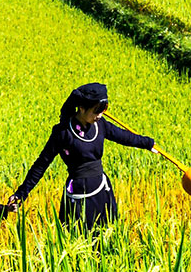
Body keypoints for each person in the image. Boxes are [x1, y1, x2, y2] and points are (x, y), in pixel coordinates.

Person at [9, 83, 155, 232]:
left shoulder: (100, 125)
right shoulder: (63, 133)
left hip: (101, 191)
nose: (100, 115)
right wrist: (21, 193)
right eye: (96, 111)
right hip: (79, 194)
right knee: (80, 235)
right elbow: (41, 164)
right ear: (82, 108)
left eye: (103, 110)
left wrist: (148, 143)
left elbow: (124, 137)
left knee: (107, 235)